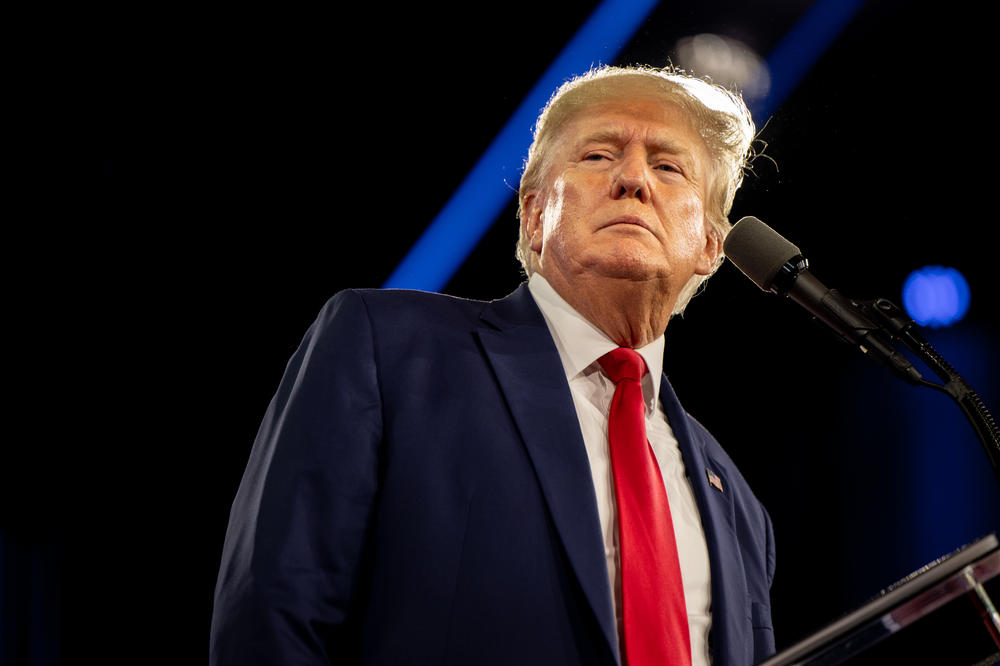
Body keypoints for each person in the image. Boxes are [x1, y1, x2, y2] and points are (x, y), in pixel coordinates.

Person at [210, 65, 775, 666]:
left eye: (668, 166)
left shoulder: (737, 504)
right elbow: (273, 612)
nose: (633, 178)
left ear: (711, 246)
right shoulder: (389, 350)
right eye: (598, 155)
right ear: (534, 215)